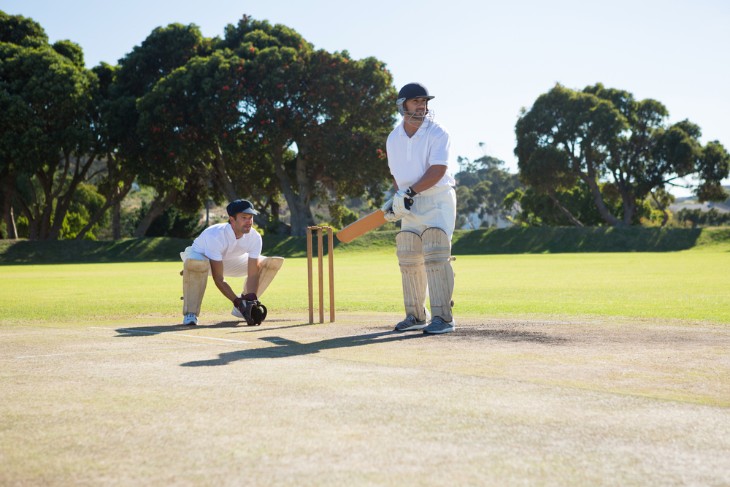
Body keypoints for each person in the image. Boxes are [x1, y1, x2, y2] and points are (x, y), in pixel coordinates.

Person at [382, 82, 457, 334]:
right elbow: (398, 174)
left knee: (436, 252)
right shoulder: (393, 138)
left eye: (424, 101)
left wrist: (409, 192)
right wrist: (397, 198)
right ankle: (415, 316)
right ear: (402, 105)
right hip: (410, 201)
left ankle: (443, 319)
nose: (422, 106)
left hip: (437, 198)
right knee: (408, 253)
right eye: (416, 101)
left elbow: (438, 170)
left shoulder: (437, 132)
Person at [179, 199, 284, 326]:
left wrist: (250, 299)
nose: (249, 221)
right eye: (244, 217)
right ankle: (191, 313)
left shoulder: (254, 237)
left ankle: (244, 307)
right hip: (201, 258)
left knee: (271, 262)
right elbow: (219, 279)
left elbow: (253, 274)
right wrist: (237, 301)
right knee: (198, 263)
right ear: (232, 219)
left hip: (229, 260)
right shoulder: (215, 235)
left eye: (250, 217)